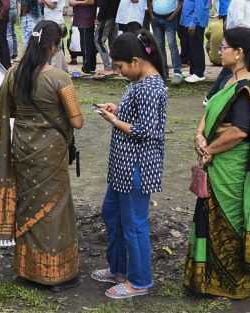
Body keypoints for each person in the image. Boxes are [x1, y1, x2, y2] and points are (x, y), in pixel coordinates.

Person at [0, 20, 84, 291]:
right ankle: (53, 274)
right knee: (54, 208)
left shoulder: (15, 74)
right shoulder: (59, 78)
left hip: (22, 148)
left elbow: (8, 111)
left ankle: (26, 269)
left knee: (28, 204)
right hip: (51, 151)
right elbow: (77, 121)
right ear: (53, 45)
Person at [183, 27, 250, 299]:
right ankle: (207, 277)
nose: (219, 50)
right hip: (217, 160)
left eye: (224, 47)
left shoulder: (247, 86)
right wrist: (200, 134)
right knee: (208, 217)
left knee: (227, 221)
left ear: (239, 53)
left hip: (231, 167)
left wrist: (209, 149)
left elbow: (239, 131)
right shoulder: (229, 80)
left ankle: (230, 282)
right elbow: (210, 108)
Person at [89, 31, 167, 299]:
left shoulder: (149, 87)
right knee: (112, 214)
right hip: (122, 166)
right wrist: (117, 109)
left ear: (135, 61)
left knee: (134, 224)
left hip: (137, 166)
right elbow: (135, 116)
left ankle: (140, 281)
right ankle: (118, 268)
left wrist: (113, 121)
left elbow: (145, 131)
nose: (120, 72)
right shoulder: (138, 83)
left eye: (121, 67)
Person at [150, 0, 183, 83]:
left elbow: (180, 3)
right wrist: (151, 15)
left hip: (170, 18)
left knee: (172, 44)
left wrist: (173, 15)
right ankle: (163, 71)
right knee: (159, 45)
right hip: (156, 18)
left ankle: (177, 72)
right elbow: (149, 2)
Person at [179, 0, 209, 83]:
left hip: (195, 23)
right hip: (188, 21)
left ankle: (199, 73)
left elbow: (200, 6)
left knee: (196, 47)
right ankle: (193, 71)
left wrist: (194, 22)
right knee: (191, 47)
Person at [93, 0, 121, 79]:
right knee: (113, 43)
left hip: (106, 17)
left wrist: (99, 18)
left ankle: (108, 68)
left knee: (98, 41)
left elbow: (104, 4)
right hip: (115, 16)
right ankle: (115, 68)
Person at [73, 0, 98, 76]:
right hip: (81, 17)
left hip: (86, 18)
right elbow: (71, 2)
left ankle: (87, 67)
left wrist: (77, 3)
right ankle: (90, 66)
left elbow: (91, 1)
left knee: (86, 44)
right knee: (87, 42)